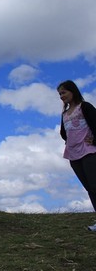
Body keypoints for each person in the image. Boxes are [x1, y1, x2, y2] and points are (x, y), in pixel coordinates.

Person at [57, 80, 96, 230]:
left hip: (89, 151)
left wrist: (94, 140)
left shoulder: (84, 107)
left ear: (72, 91)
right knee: (89, 188)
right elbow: (63, 133)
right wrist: (70, 141)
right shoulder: (64, 114)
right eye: (60, 94)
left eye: (64, 92)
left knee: (95, 185)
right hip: (73, 155)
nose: (61, 96)